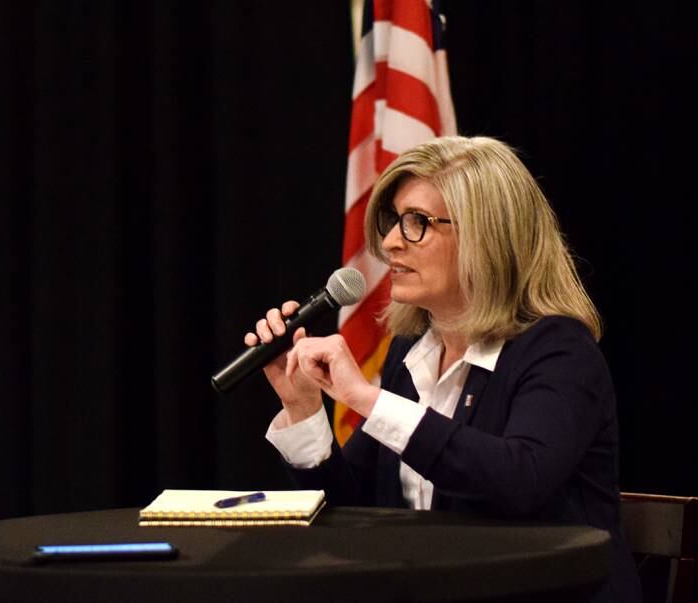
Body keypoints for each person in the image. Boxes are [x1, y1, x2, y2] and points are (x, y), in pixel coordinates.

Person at [245, 136, 642, 602]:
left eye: (418, 222)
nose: (391, 241)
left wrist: (366, 399)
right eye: (394, 220)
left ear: (487, 236)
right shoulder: (412, 350)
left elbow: (519, 480)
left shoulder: (559, 352)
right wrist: (304, 406)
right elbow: (355, 511)